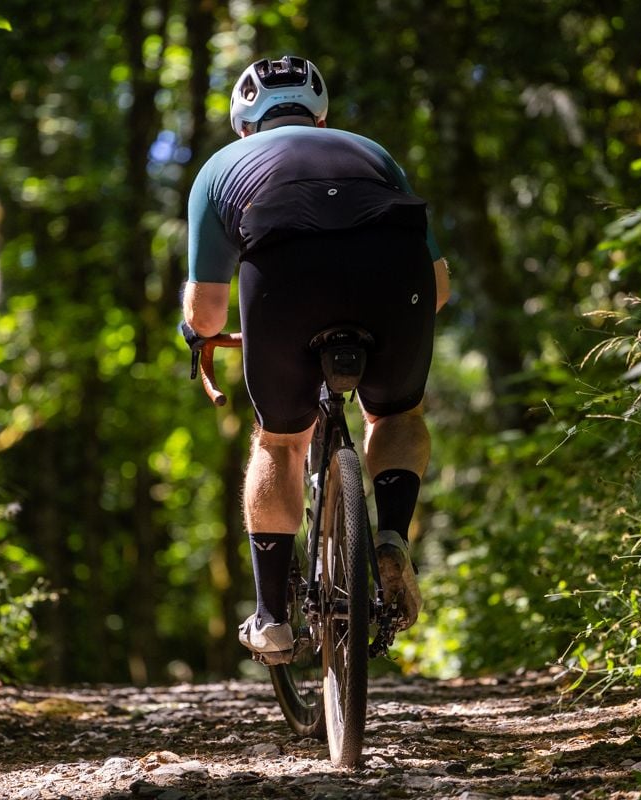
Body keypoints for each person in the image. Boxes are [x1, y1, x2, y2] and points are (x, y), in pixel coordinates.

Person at [181, 55, 450, 663]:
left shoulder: (221, 167)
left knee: (280, 441)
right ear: (322, 116)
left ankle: (273, 618)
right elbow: (439, 290)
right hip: (394, 277)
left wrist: (195, 333)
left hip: (285, 285)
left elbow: (208, 316)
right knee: (397, 416)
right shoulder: (374, 153)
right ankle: (390, 534)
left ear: (242, 121)